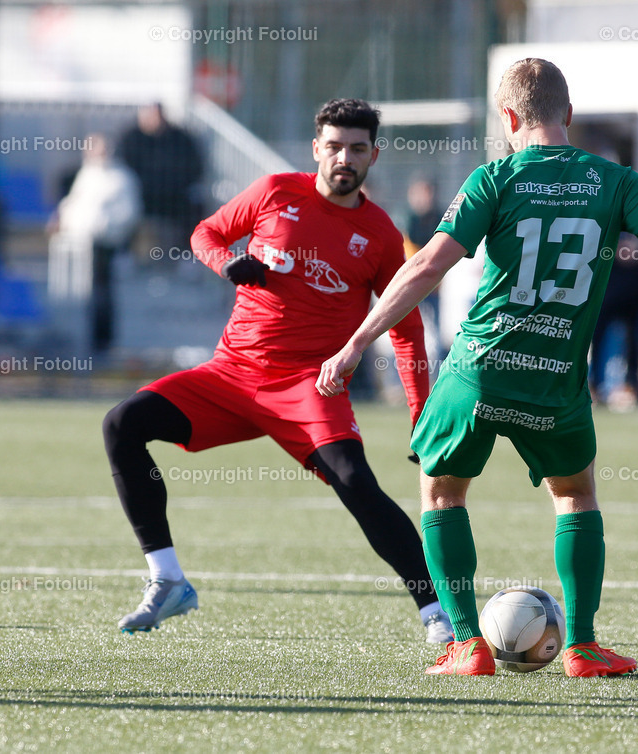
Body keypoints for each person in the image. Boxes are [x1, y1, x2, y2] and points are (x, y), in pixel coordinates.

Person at [317, 58, 638, 677]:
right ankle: (583, 646)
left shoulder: (495, 178)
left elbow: (429, 265)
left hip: (480, 369)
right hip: (555, 377)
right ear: (567, 114)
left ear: (508, 117)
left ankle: (467, 645)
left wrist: (357, 340)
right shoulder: (615, 181)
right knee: (575, 496)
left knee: (442, 493)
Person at [103, 98, 453, 642]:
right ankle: (167, 579)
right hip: (231, 374)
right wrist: (227, 262)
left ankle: (437, 615)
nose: (344, 158)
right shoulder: (274, 192)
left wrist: (420, 414)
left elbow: (406, 327)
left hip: (310, 386)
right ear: (316, 149)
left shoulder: (381, 234)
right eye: (334, 146)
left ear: (373, 156)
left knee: (356, 482)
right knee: (122, 424)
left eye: (357, 148)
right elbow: (205, 234)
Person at [48, 133, 141, 353]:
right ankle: (74, 337)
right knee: (78, 293)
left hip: (102, 245)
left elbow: (129, 213)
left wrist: (103, 229)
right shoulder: (87, 174)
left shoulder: (121, 178)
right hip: (76, 245)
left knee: (100, 292)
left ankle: (101, 340)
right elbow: (74, 203)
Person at [119, 102, 203, 253]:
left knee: (195, 209)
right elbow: (124, 168)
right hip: (142, 197)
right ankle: (126, 254)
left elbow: (194, 167)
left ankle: (187, 254)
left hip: (173, 197)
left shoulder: (179, 138)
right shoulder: (131, 138)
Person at [588, 232, 638, 408]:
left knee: (635, 344)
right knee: (596, 343)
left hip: (635, 300)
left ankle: (632, 385)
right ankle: (594, 386)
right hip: (606, 299)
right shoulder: (609, 230)